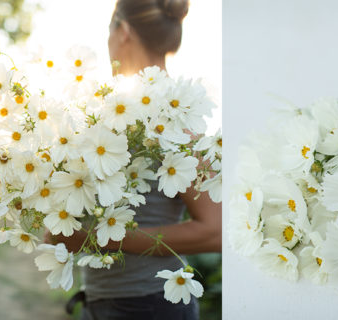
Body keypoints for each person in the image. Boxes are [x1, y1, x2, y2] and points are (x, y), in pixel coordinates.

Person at [48, 1, 222, 319]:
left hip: (151, 305)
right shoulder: (113, 113)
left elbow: (216, 230)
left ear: (123, 31)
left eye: (108, 32)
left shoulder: (174, 120)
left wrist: (99, 238)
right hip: (102, 302)